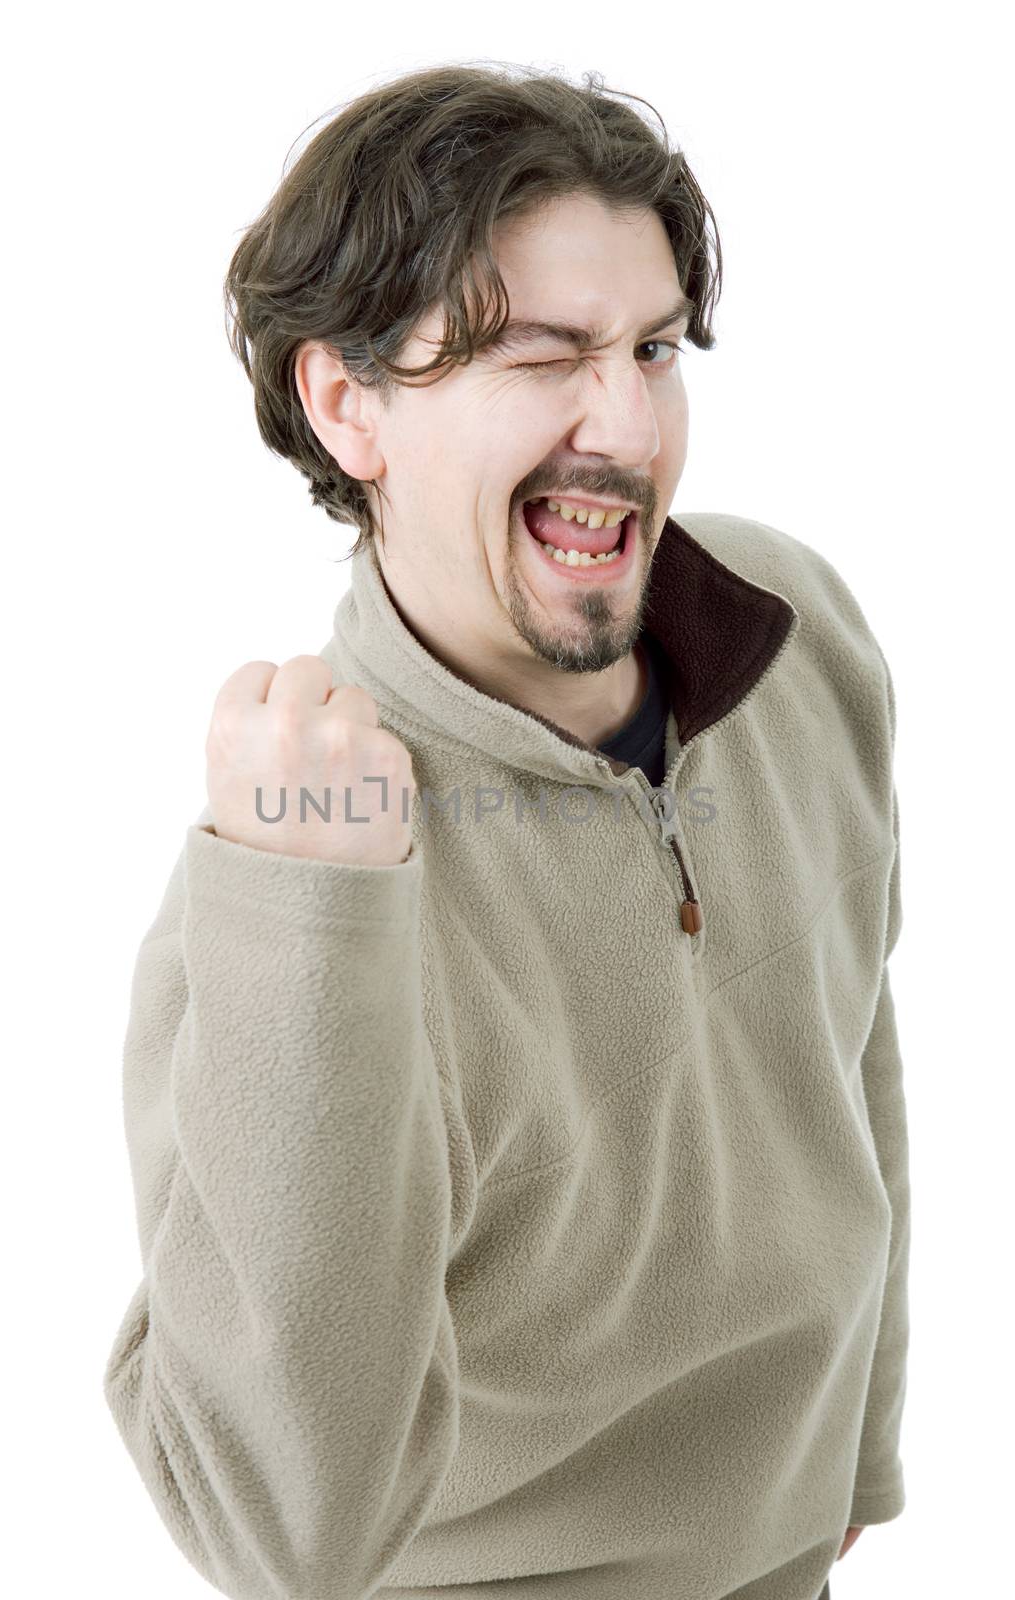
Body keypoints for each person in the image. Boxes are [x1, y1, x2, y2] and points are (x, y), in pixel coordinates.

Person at [102, 61, 909, 1600]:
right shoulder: (286, 887)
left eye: (653, 348)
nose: (626, 423)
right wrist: (308, 927)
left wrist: (855, 1450)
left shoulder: (801, 638)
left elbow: (855, 1051)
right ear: (350, 409)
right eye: (543, 357)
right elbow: (278, 1532)